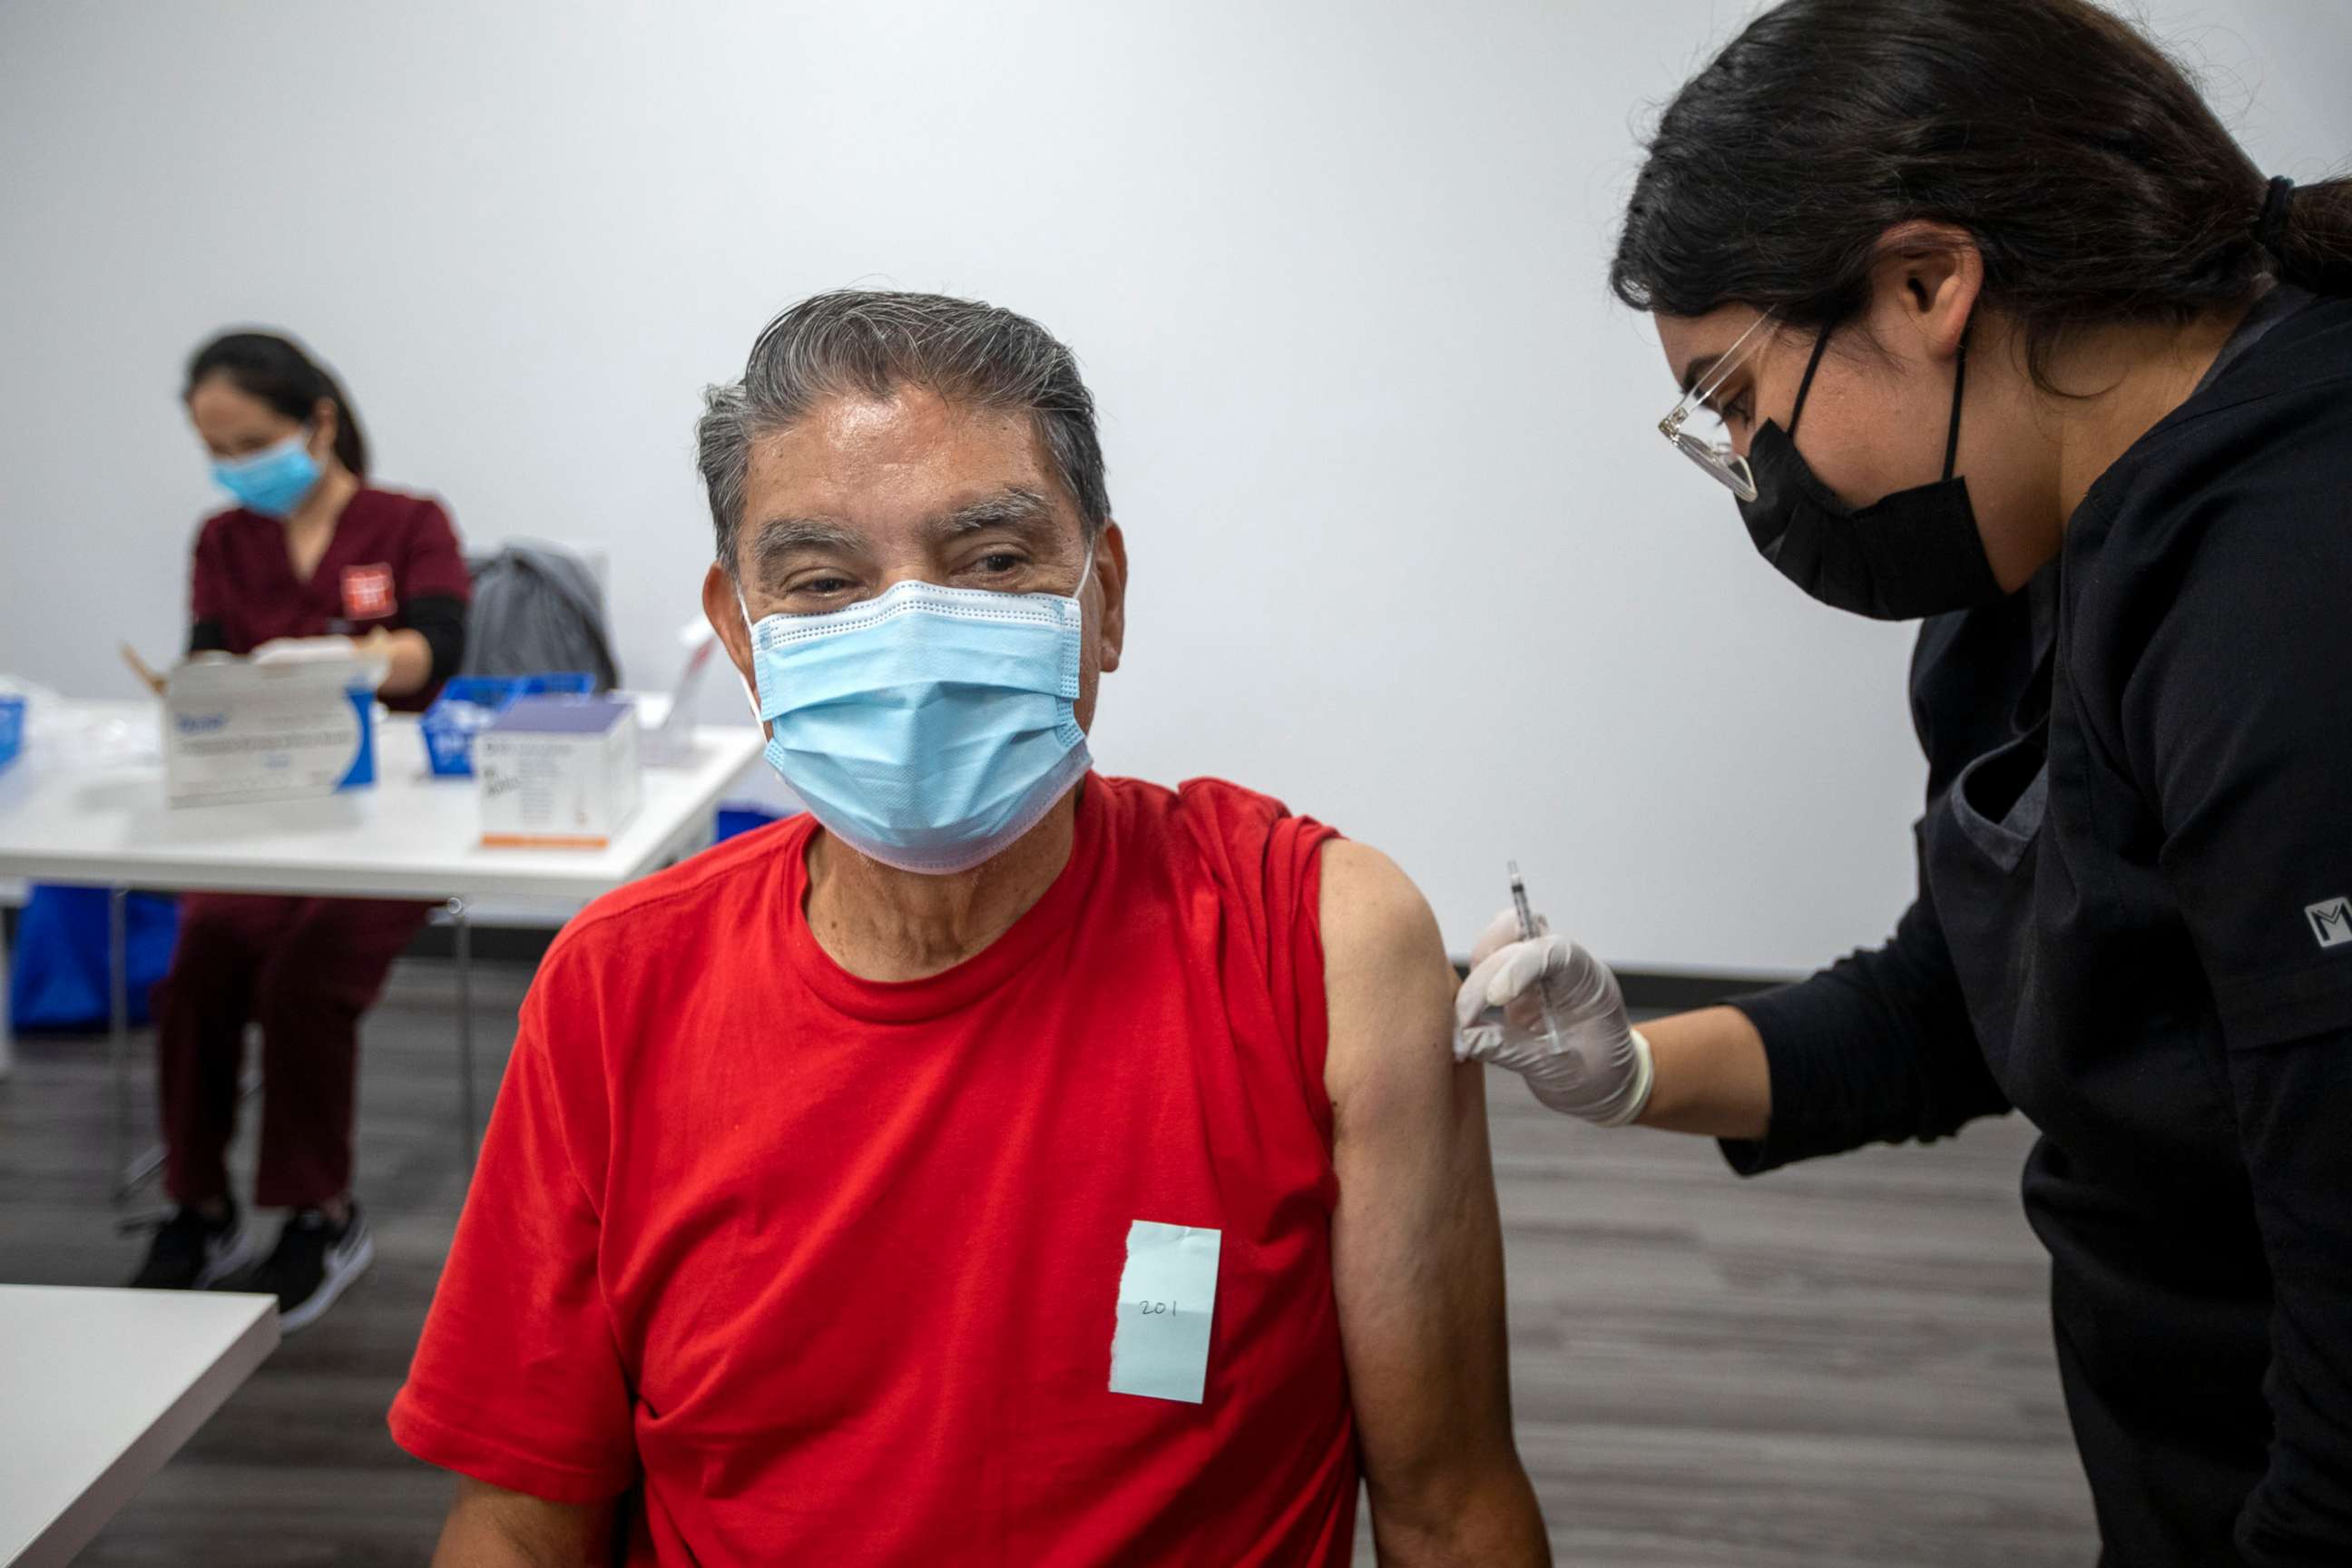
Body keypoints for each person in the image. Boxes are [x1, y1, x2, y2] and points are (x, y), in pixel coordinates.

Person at [389, 290, 1548, 1565]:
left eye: (994, 564)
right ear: (740, 633)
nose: (913, 639)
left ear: (1103, 596)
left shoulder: (1322, 947)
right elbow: (517, 1519)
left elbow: (1448, 1505)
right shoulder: (618, 993)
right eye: (825, 581)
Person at [1459, 2, 2352, 1563]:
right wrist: (1631, 1071)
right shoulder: (2034, 554)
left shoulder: (2292, 598)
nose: (1749, 471)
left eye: (1735, 399)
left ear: (1930, 281)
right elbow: (1967, 993)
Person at [129, 330, 471, 1332]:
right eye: (218, 449)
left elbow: (440, 648)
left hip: (393, 822)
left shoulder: (407, 522)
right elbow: (202, 664)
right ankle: (194, 1206)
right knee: (199, 962)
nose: (238, 469)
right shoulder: (222, 540)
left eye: (251, 442)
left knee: (304, 977)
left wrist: (349, 665)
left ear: (319, 421)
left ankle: (317, 1216)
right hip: (264, 810)